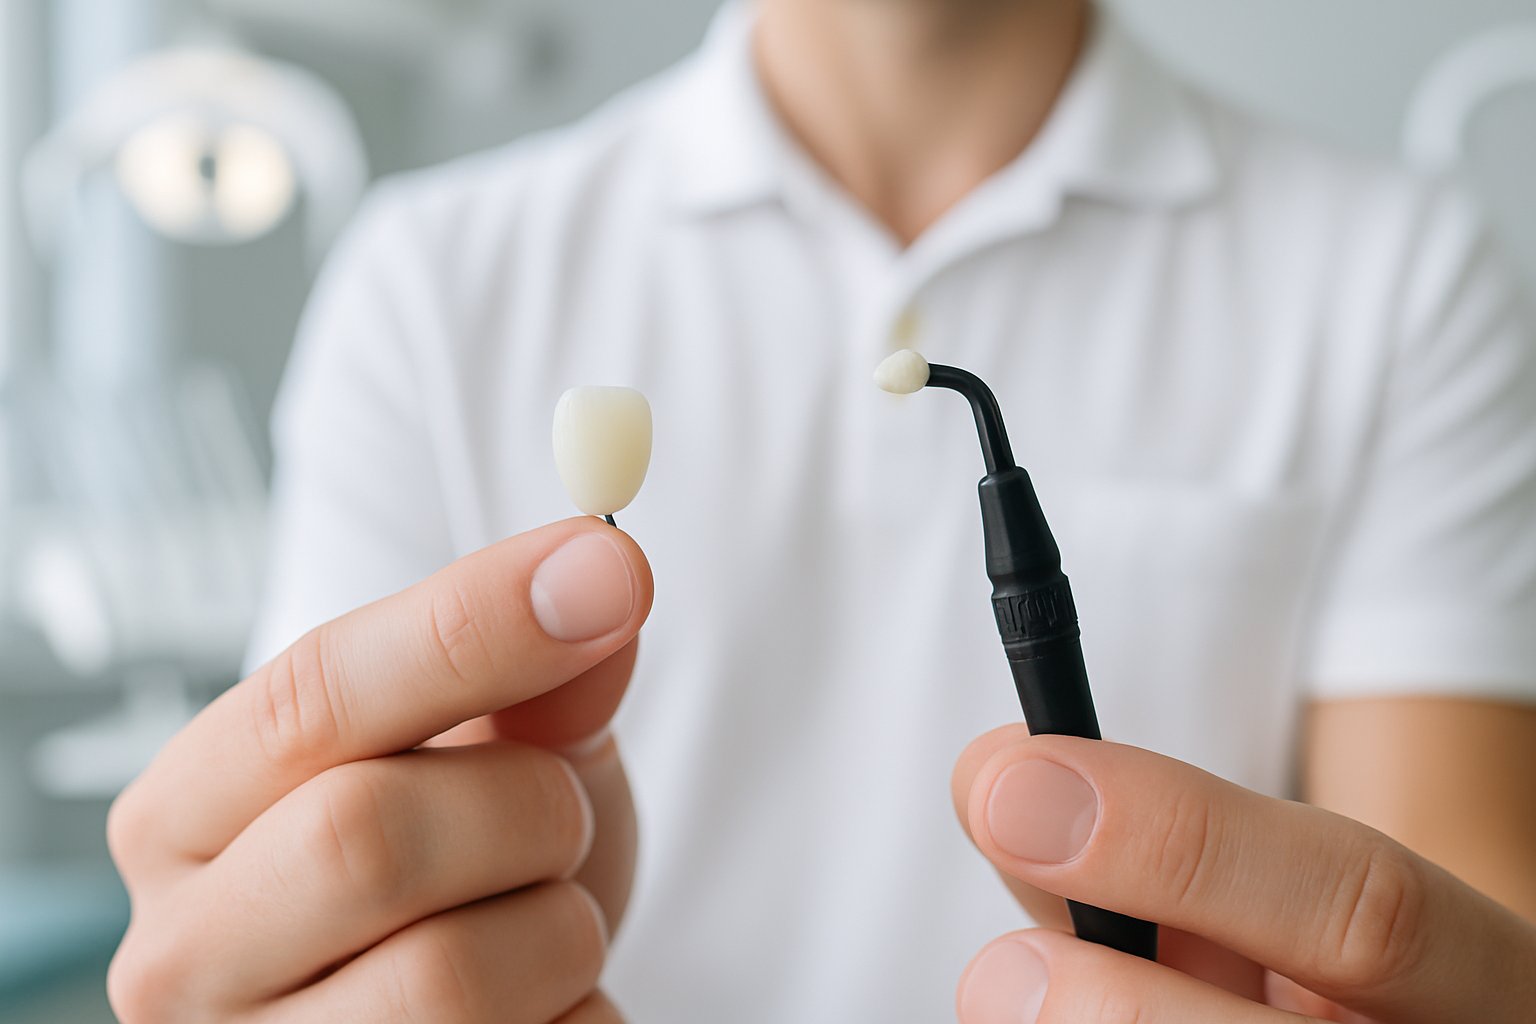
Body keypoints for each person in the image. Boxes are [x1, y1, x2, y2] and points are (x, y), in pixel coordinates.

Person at [106, 0, 1536, 1021]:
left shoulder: (1398, 275)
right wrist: (284, 961)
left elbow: (1446, 906)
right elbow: (320, 876)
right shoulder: (430, 283)